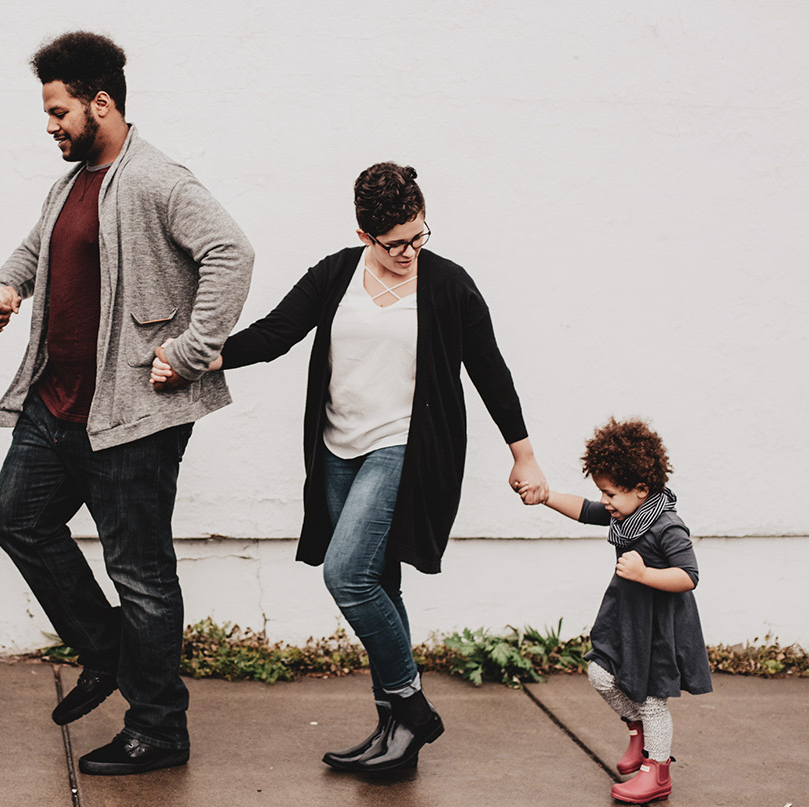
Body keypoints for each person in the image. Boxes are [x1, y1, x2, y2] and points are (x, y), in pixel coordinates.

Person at [152, 162, 548, 775]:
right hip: (337, 450)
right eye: (395, 244)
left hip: (404, 449)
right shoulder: (338, 273)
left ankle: (413, 709)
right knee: (380, 584)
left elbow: (489, 369)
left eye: (420, 236)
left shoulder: (448, 285)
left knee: (347, 576)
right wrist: (195, 360)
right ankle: (395, 735)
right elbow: (276, 334)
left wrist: (522, 452)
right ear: (366, 235)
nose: (410, 252)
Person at [0, 31, 253, 776]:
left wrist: (191, 351)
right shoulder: (69, 184)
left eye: (59, 110)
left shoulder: (158, 180)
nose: (50, 125)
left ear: (101, 103)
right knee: (15, 518)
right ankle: (106, 653)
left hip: (131, 414)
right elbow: (35, 250)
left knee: (141, 572)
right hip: (57, 404)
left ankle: (159, 729)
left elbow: (232, 252)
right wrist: (3, 286)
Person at [518, 417, 710, 803]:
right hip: (626, 619)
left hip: (657, 626)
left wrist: (643, 573)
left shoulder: (666, 525)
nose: (605, 501)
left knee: (651, 698)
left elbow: (688, 576)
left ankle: (657, 772)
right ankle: (637, 734)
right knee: (601, 674)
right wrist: (545, 495)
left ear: (641, 489)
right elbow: (585, 509)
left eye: (611, 493)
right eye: (602, 492)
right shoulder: (626, 514)